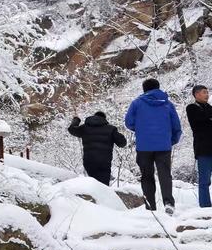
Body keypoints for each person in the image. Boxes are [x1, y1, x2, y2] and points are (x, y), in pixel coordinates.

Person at [125, 78, 182, 215]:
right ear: (158, 88)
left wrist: (140, 129)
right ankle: (168, 203)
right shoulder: (168, 104)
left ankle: (150, 207)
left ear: (144, 89)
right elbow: (176, 126)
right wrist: (171, 140)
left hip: (144, 146)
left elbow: (128, 122)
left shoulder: (137, 103)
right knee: (165, 175)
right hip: (163, 145)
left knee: (146, 176)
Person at [68, 111, 127, 186]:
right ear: (104, 119)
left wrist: (76, 120)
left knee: (91, 184)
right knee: (103, 186)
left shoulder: (84, 128)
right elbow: (122, 143)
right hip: (104, 162)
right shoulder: (111, 129)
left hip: (89, 160)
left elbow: (71, 129)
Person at [186, 85, 212, 207]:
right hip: (203, 149)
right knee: (204, 181)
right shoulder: (191, 108)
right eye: (204, 92)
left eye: (207, 92)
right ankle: (205, 206)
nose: (207, 94)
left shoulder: (209, 108)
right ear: (196, 94)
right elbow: (199, 121)